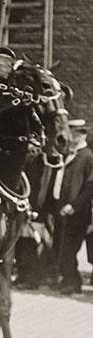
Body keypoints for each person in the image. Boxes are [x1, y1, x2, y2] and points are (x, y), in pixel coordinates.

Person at [52, 119, 93, 295]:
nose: (71, 136)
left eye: (75, 133)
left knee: (69, 248)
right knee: (61, 246)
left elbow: (89, 187)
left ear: (82, 135)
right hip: (63, 209)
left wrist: (74, 206)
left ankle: (73, 282)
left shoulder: (88, 157)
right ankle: (67, 279)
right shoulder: (70, 154)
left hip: (76, 212)